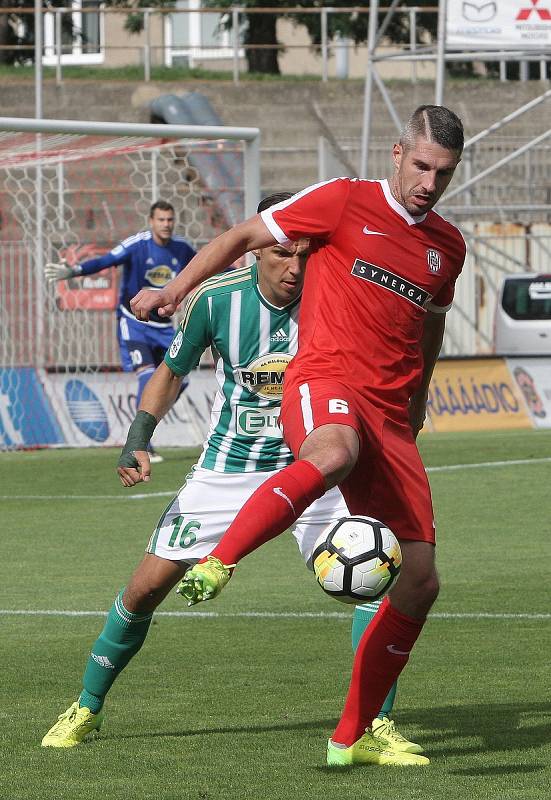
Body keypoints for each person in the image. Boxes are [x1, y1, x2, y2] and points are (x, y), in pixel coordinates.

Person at [130, 106, 467, 767]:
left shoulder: (446, 248)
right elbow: (241, 235)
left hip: (391, 415)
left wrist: (419, 397)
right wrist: (177, 289)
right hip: (325, 377)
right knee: (333, 452)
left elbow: (430, 327)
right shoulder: (342, 201)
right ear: (397, 154)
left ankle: (350, 737)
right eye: (421, 166)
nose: (428, 183)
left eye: (443, 173)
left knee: (420, 580)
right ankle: (220, 560)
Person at [41, 193, 418, 756]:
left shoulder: (333, 296)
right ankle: (87, 706)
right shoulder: (216, 301)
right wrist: (136, 441)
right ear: (253, 252)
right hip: (230, 468)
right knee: (145, 588)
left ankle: (371, 724)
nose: (295, 269)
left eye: (305, 256)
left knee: (376, 577)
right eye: (283, 254)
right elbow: (171, 374)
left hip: (314, 465)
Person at [44, 200, 196, 462]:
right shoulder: (137, 244)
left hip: (164, 326)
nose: (166, 225)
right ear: (151, 221)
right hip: (134, 322)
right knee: (147, 377)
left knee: (179, 379)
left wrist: (237, 272)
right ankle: (141, 443)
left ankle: (148, 421)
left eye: (170, 220)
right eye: (161, 220)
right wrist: (73, 270)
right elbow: (107, 260)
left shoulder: (181, 248)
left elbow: (207, 265)